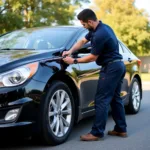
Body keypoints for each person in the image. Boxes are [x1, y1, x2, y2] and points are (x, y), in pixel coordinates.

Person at [62, 8, 127, 141]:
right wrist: (70, 51)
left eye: (84, 24)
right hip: (118, 65)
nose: (83, 27)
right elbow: (82, 42)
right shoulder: (102, 28)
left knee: (101, 100)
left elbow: (92, 57)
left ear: (90, 22)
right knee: (115, 99)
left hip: (111, 68)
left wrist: (73, 60)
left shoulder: (100, 34)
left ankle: (96, 133)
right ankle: (121, 129)